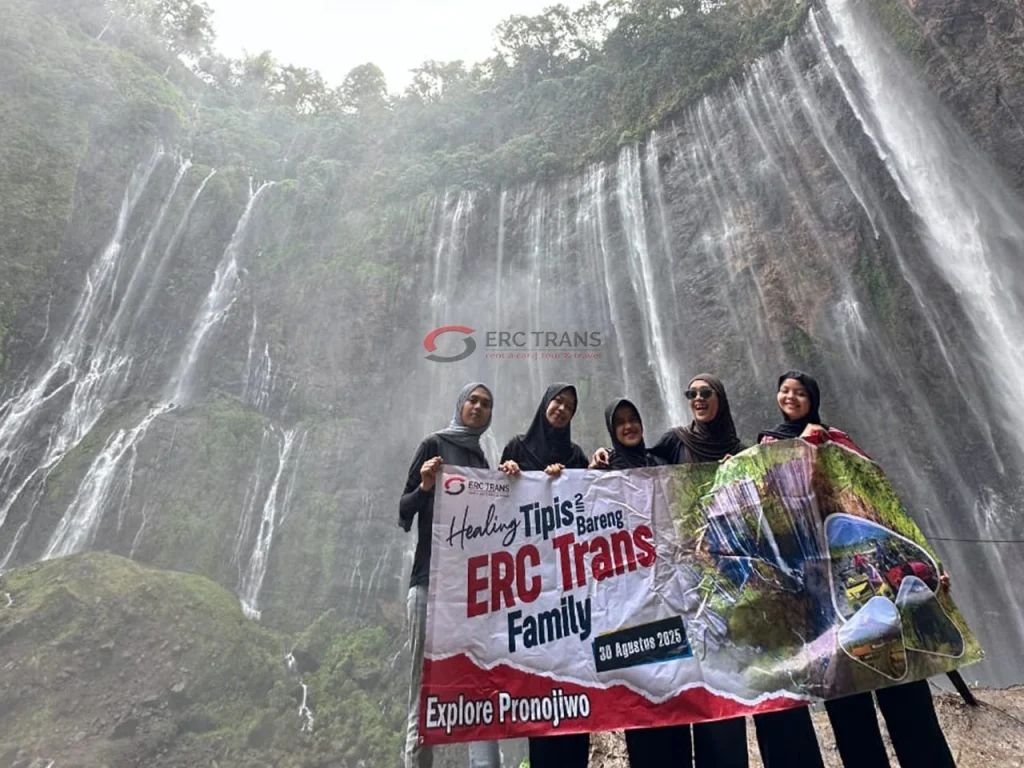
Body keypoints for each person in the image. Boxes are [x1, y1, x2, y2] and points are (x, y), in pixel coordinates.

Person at [756, 370, 955, 768]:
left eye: (799, 392)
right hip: (818, 591)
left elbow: (879, 502)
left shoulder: (839, 440)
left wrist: (927, 566)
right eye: (784, 391)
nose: (790, 397)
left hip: (872, 578)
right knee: (848, 701)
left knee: (903, 685)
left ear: (813, 398)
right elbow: (770, 508)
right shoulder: (768, 445)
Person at [646, 375, 751, 768]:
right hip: (681, 580)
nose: (697, 398)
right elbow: (637, 472)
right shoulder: (675, 441)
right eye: (691, 394)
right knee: (687, 672)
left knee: (723, 680)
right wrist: (602, 458)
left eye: (706, 393)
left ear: (720, 398)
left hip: (727, 582)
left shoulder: (740, 452)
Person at [399, 383, 502, 768]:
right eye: (473, 401)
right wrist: (425, 485)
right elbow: (404, 511)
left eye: (486, 404)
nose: (478, 407)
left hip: (471, 593)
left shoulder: (482, 460)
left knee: (480, 689)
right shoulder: (433, 445)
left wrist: (510, 482)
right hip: (429, 584)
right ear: (460, 405)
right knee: (423, 691)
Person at [597, 398, 695, 767]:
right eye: (620, 422)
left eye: (633, 419)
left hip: (670, 597)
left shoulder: (660, 462)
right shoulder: (600, 473)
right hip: (629, 604)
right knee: (640, 703)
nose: (628, 427)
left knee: (676, 698)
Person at [499, 383, 589, 768]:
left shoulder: (575, 455)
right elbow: (495, 508)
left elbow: (590, 508)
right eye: (558, 402)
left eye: (569, 406)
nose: (562, 409)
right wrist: (508, 475)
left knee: (575, 674)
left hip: (570, 581)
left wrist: (570, 475)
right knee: (540, 681)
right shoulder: (517, 447)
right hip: (528, 584)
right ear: (544, 403)